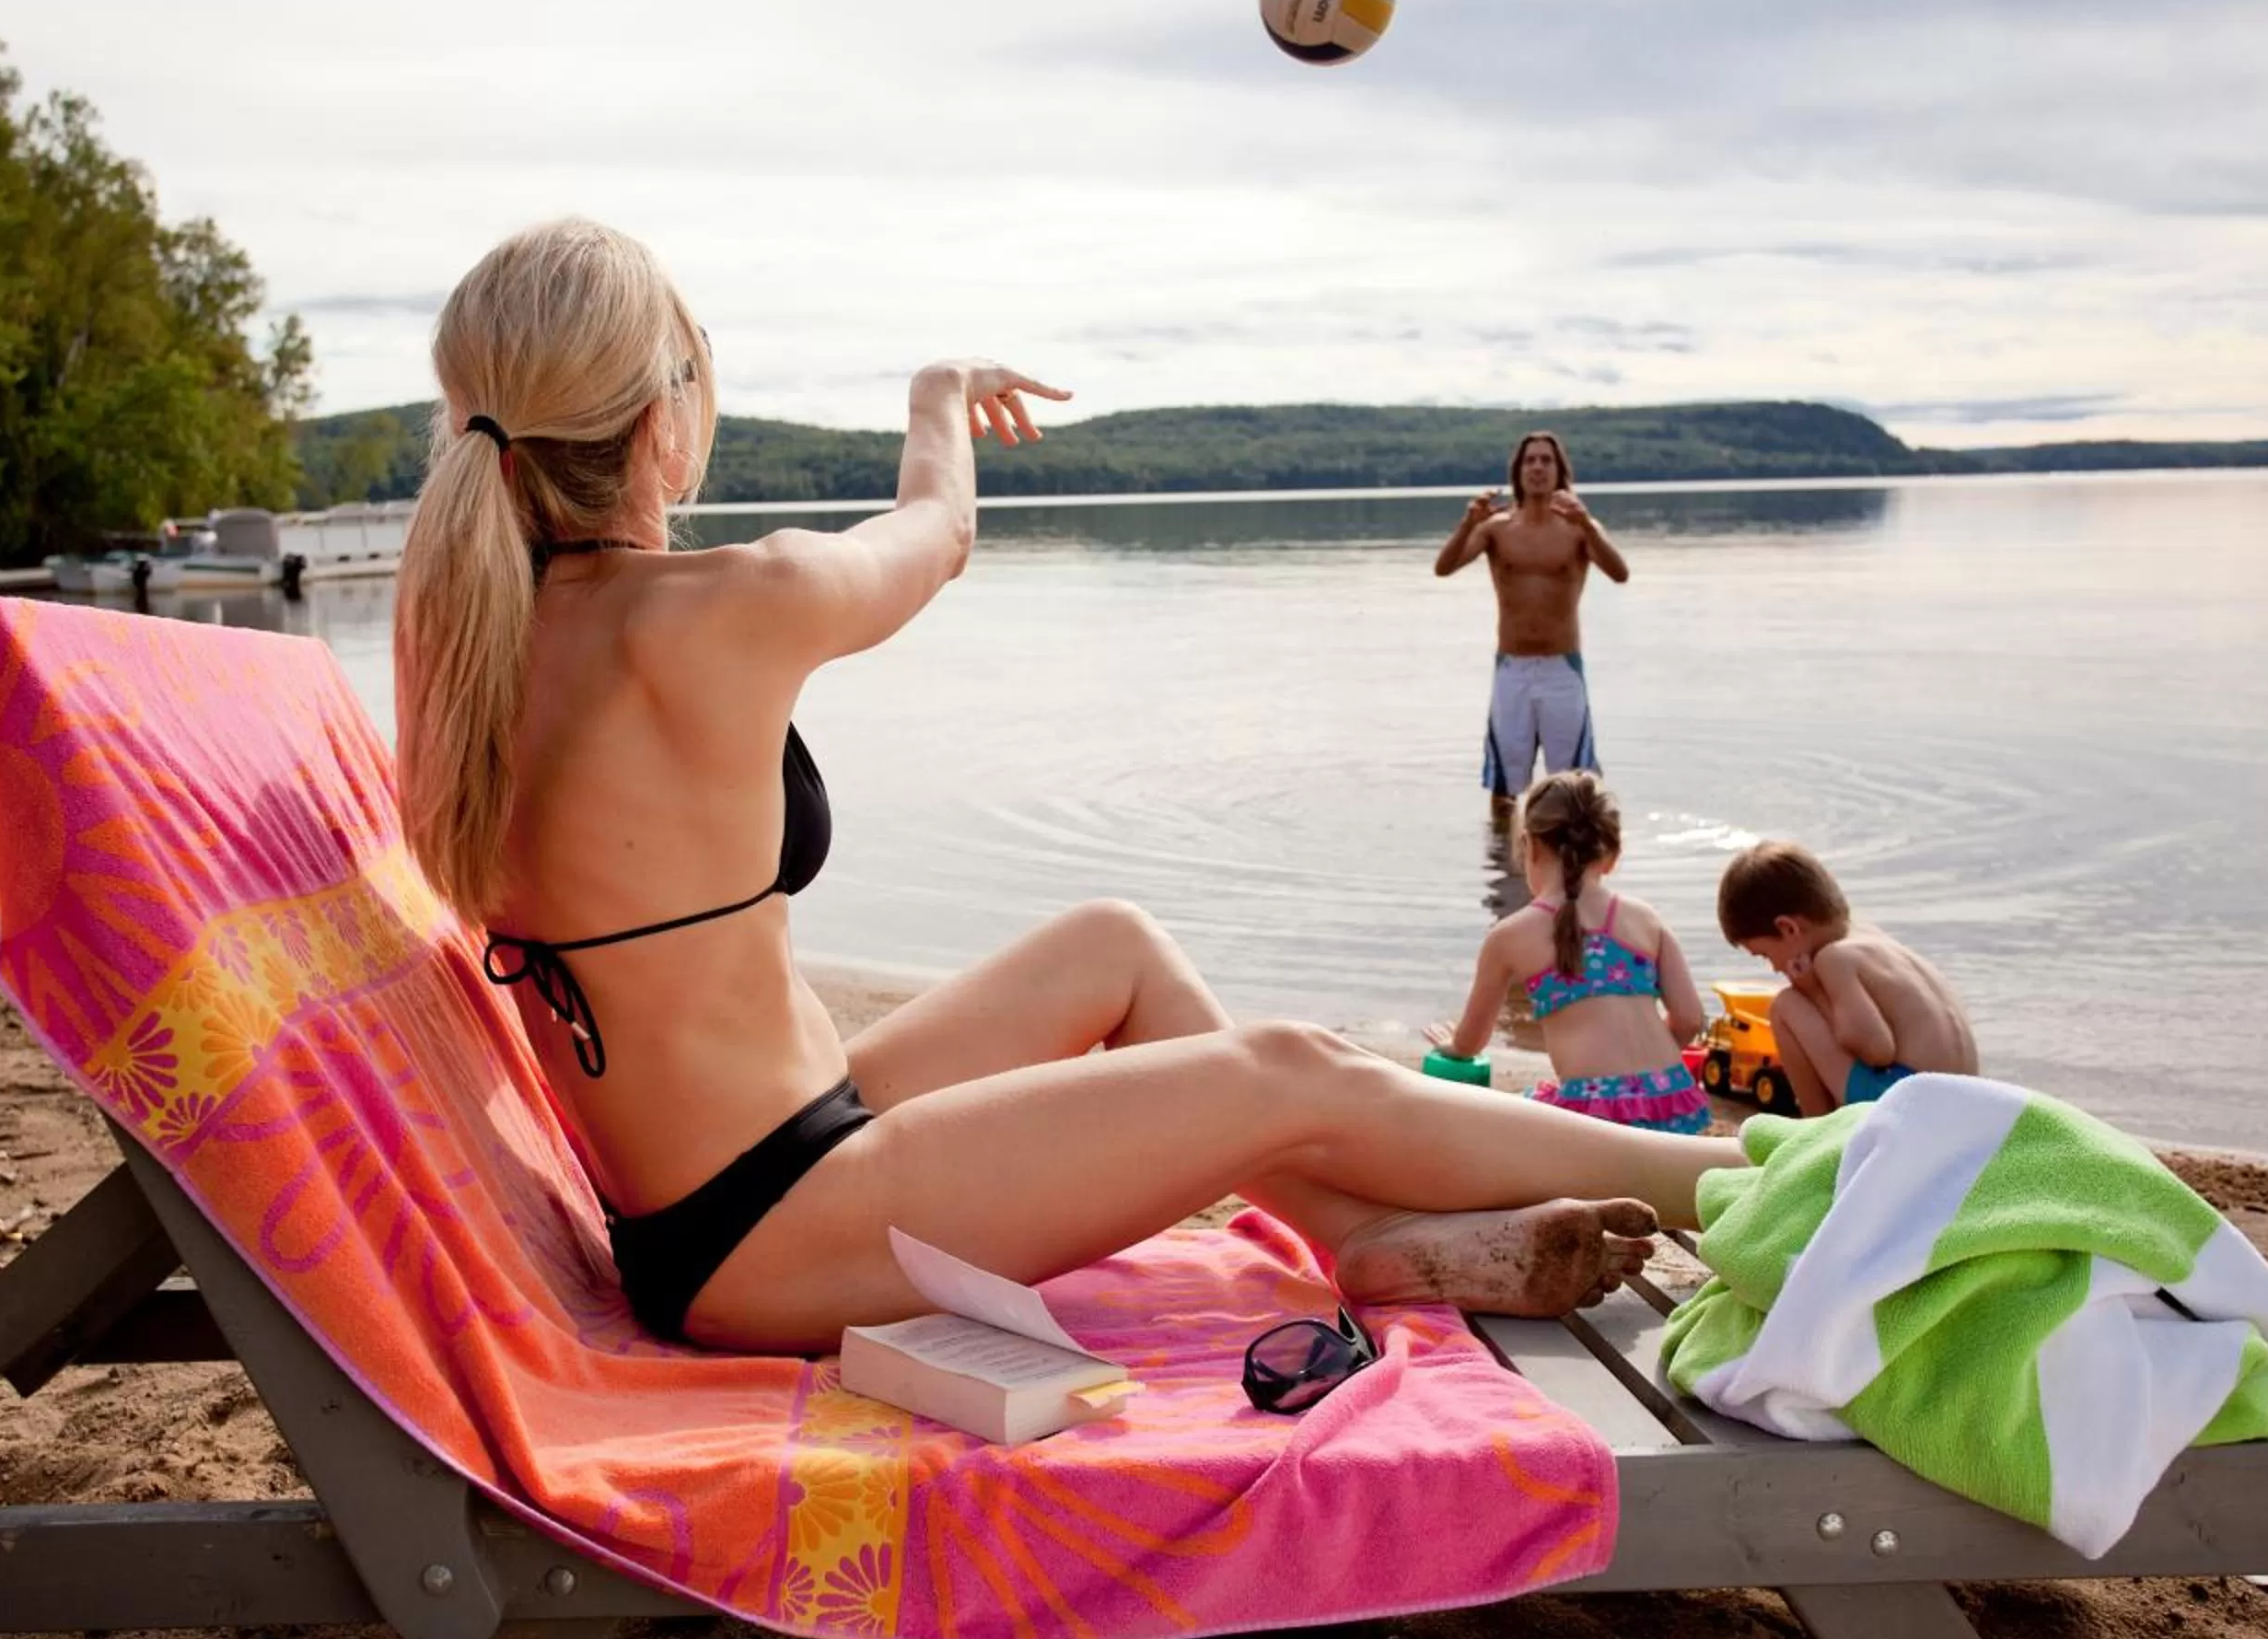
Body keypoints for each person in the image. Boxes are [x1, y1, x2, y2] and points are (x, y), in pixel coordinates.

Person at [392, 218, 1744, 1356]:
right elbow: (942, 531)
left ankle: (1369, 1244)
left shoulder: (460, 639)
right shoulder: (734, 601)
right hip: (772, 1234)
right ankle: (1743, 1181)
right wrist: (937, 396)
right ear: (665, 419)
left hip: (758, 1162)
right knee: (1293, 1068)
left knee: (1115, 948)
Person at [1424, 772, 1713, 1135]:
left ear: (1529, 846)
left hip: (1595, 1118)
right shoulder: (1645, 919)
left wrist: (1453, 1045)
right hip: (1672, 1100)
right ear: (1611, 855)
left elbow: (1471, 1042)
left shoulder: (1509, 936)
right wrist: (1643, 1080)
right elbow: (1689, 1017)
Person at [1431, 432, 1630, 818]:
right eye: (1530, 461)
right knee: (1504, 788)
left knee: (1575, 785)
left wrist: (1586, 523)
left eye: (1546, 461)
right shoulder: (1496, 528)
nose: (1537, 468)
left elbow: (1620, 573)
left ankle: (1569, 866)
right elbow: (1444, 568)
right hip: (1512, 669)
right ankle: (1505, 864)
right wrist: (1467, 522)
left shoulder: (1578, 528)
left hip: (1562, 669)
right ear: (1518, 472)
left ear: (1559, 471)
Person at [1716, 841, 1980, 1115]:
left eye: (1766, 955)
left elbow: (1876, 1049)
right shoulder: (1875, 940)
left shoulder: (1834, 959)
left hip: (1913, 1104)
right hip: (1966, 1098)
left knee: (1785, 1007)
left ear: (1789, 929)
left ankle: (1817, 1132)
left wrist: (1814, 991)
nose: (1774, 968)